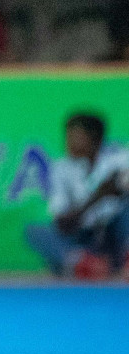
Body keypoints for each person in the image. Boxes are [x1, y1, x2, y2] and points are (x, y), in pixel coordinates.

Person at [25, 113, 129, 280]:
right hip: (83, 239)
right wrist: (98, 196)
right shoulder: (61, 169)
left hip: (116, 236)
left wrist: (120, 187)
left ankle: (123, 262)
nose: (69, 143)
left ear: (96, 139)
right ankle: (85, 264)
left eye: (77, 137)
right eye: (68, 137)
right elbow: (62, 224)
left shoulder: (121, 158)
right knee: (34, 231)